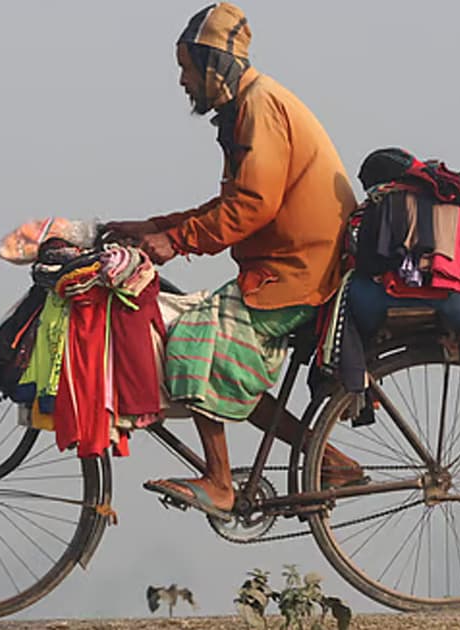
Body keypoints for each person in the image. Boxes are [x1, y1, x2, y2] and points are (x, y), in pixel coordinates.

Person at [106, 3, 362, 520]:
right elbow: (235, 200)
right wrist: (157, 227)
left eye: (187, 68)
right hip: (282, 268)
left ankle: (221, 482)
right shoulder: (248, 107)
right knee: (232, 373)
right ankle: (327, 458)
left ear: (214, 66)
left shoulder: (259, 107)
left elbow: (253, 206)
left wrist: (176, 242)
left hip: (298, 275)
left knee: (194, 340)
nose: (182, 81)